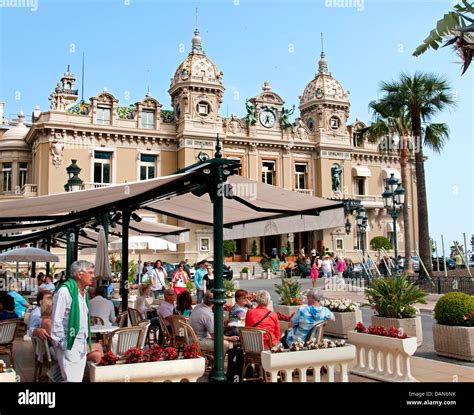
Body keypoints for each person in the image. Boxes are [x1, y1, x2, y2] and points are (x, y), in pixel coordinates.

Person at [51, 260, 95, 382]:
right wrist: (64, 343)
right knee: (71, 379)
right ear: (79, 274)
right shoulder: (64, 292)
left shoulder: (84, 292)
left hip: (80, 342)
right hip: (70, 342)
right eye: (90, 273)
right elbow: (56, 321)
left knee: (76, 378)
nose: (93, 276)